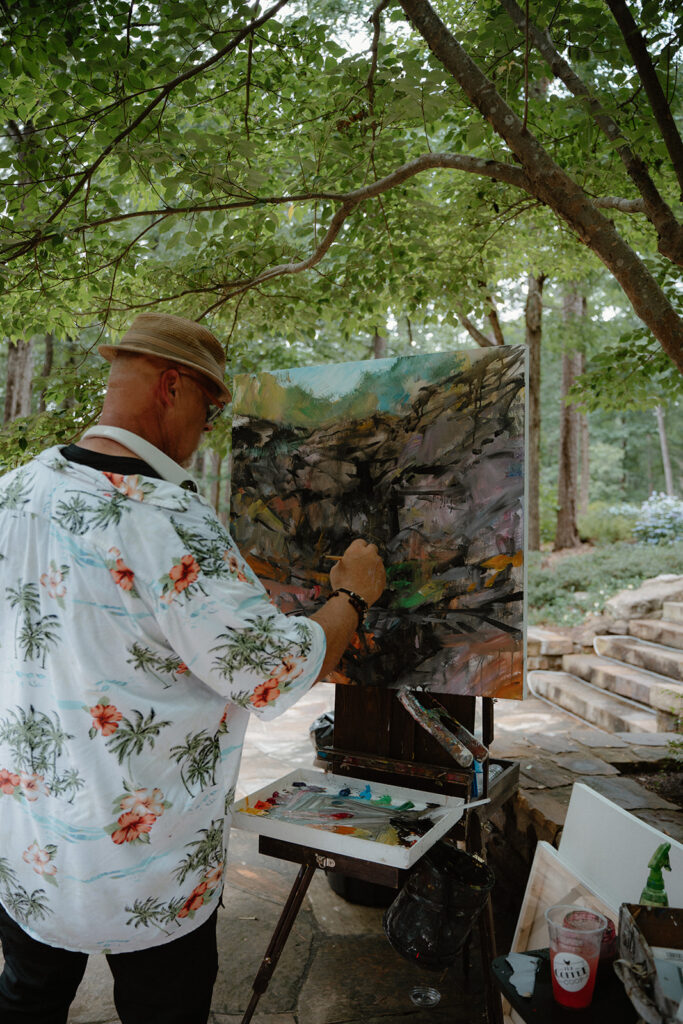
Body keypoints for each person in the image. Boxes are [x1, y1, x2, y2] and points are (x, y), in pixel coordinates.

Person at [0, 312, 386, 1024]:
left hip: (33, 845)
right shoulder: (164, 517)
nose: (204, 432)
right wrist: (351, 596)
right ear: (172, 387)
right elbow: (267, 672)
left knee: (27, 999)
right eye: (209, 414)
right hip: (148, 859)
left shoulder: (15, 491)